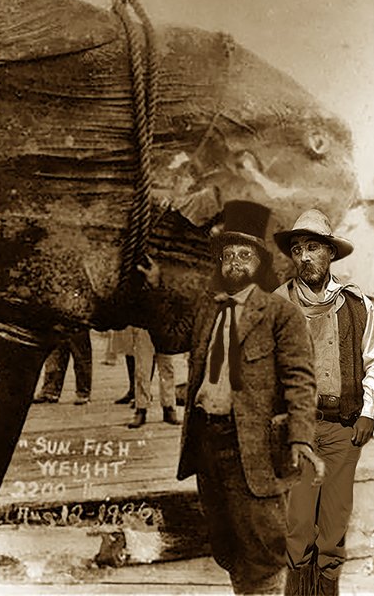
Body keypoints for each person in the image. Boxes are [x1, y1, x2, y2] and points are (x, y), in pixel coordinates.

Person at [138, 200, 323, 595]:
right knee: (227, 544)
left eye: (244, 255)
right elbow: (170, 339)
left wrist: (301, 439)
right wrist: (156, 289)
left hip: (253, 450)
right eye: (228, 256)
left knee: (263, 544)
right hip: (208, 442)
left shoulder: (281, 314)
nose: (235, 263)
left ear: (259, 262)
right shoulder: (209, 307)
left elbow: (301, 382)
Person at [273, 209, 374, 595]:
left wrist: (368, 412)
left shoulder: (357, 305)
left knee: (333, 527)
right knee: (299, 524)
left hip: (342, 428)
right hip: (297, 431)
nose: (304, 257)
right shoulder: (278, 304)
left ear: (330, 253)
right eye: (297, 249)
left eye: (313, 248)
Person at [128, 328, 180, 428]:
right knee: (142, 368)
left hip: (164, 327)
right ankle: (141, 408)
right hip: (144, 326)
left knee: (167, 367)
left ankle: (169, 407)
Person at [32, 328, 92, 405]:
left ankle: (83, 393)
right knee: (55, 356)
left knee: (81, 359)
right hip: (59, 326)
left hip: (78, 325)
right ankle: (50, 391)